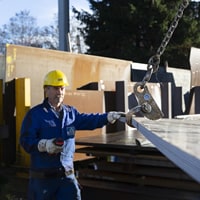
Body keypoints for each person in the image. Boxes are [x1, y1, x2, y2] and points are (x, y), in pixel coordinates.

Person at [20, 70, 123, 200]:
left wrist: (108, 117)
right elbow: (26, 141)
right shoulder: (35, 114)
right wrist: (44, 145)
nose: (60, 92)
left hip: (67, 179)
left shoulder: (70, 113)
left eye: (62, 88)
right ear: (46, 89)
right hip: (43, 181)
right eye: (56, 88)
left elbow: (89, 120)